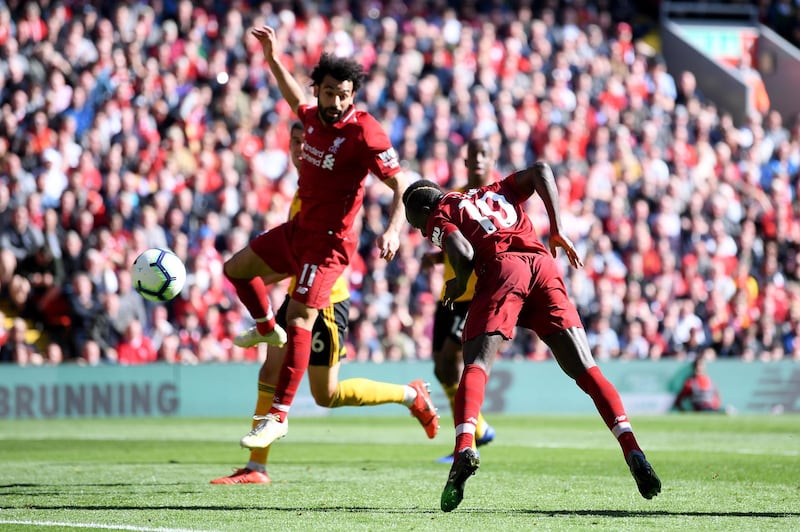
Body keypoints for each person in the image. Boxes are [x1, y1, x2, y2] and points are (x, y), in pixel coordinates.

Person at [402, 161, 661, 512]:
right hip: (542, 266)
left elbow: (461, 251)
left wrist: (460, 282)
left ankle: (465, 447)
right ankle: (633, 449)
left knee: (476, 363)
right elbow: (541, 169)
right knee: (586, 368)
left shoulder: (439, 212)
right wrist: (556, 227)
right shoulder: (494, 189)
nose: (421, 232)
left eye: (417, 226)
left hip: (502, 270)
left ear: (422, 209)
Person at [223, 29, 428, 449]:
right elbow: (292, 94)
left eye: (344, 95)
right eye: (330, 93)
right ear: (320, 91)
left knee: (300, 324)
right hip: (298, 234)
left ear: (353, 95)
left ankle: (278, 418)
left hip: (329, 247)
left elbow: (401, 182)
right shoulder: (312, 116)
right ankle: (265, 326)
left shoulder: (364, 133)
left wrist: (393, 229)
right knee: (236, 269)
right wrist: (272, 57)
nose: (336, 103)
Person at [211, 123, 439, 484]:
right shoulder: (305, 191)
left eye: (306, 142)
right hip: (296, 293)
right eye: (295, 141)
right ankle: (256, 467)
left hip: (327, 300)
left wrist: (393, 230)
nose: (300, 149)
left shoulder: (330, 190)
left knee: (326, 394)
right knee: (269, 370)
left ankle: (411, 395)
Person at [421, 139, 498, 463]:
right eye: (472, 155)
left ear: (491, 159)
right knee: (441, 368)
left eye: (484, 154)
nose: (478, 160)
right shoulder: (455, 196)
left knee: (453, 361)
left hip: (475, 294)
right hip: (450, 293)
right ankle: (479, 428)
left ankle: (468, 442)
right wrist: (438, 261)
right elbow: (456, 244)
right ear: (464, 162)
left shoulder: (496, 200)